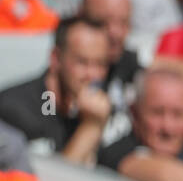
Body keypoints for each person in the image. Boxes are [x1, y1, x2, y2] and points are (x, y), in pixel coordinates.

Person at [0, 15, 111, 163]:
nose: (93, 75)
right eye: (82, 62)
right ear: (56, 58)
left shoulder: (85, 108)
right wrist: (91, 127)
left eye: (101, 64)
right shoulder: (16, 111)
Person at [97, 66, 183, 181]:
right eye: (157, 113)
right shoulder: (117, 152)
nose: (167, 127)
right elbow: (169, 178)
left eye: (178, 114)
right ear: (134, 112)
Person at [78, 0, 140, 146]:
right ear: (80, 17)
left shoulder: (128, 63)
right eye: (103, 22)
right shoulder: (61, 82)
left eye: (124, 22)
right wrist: (92, 125)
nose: (116, 33)